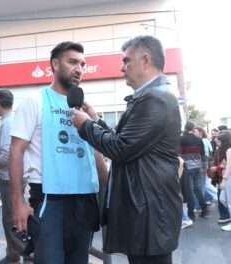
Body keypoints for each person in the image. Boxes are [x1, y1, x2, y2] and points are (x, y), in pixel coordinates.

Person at [71, 35, 182, 264]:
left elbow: (121, 148)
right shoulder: (150, 98)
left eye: (126, 61)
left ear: (145, 60)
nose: (122, 68)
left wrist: (86, 126)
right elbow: (126, 141)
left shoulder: (156, 100)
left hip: (150, 214)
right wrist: (95, 120)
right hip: (147, 211)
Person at [10, 41, 106, 264]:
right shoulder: (34, 102)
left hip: (84, 200)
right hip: (48, 199)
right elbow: (16, 151)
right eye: (72, 62)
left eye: (82, 64)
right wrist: (17, 203)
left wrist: (105, 198)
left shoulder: (83, 108)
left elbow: (95, 154)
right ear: (54, 64)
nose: (79, 68)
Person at [0, 89, 25, 264]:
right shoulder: (13, 120)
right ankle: (13, 254)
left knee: (12, 220)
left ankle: (18, 256)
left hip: (10, 179)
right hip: (14, 177)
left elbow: (5, 157)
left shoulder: (7, 123)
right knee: (13, 218)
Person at [180, 122, 208, 218]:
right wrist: (204, 167)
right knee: (197, 189)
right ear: (193, 128)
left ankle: (191, 213)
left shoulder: (181, 139)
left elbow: (179, 154)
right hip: (198, 167)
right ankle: (204, 208)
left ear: (185, 128)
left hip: (187, 167)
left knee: (189, 191)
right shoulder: (199, 140)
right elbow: (203, 154)